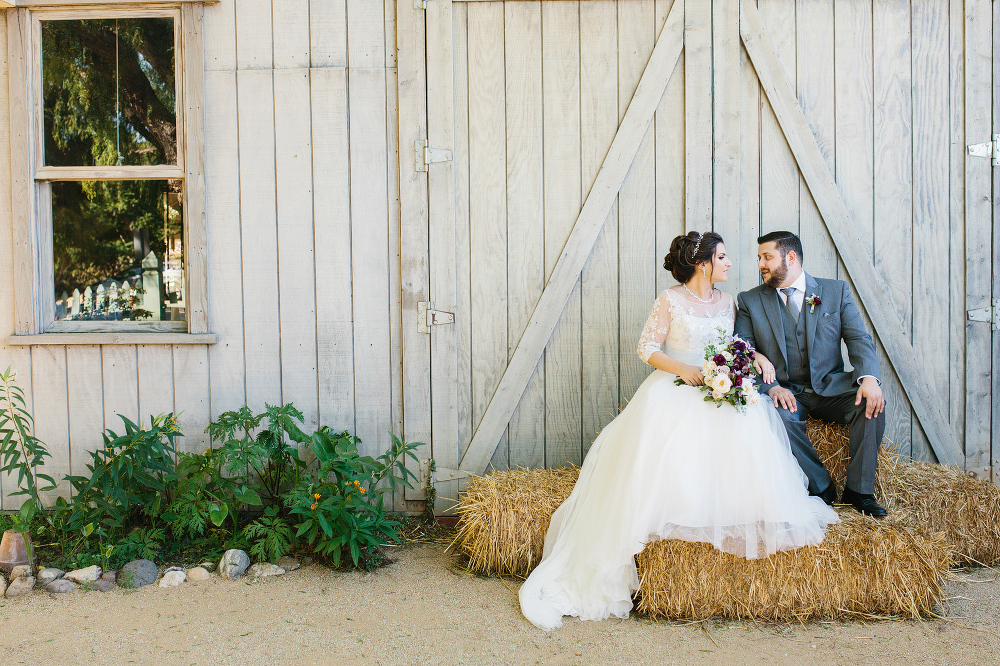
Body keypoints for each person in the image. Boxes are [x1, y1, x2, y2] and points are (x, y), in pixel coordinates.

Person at [518, 231, 839, 631]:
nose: (729, 263)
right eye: (722, 257)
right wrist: (683, 369)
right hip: (676, 386)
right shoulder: (670, 299)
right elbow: (646, 347)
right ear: (703, 263)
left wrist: (752, 356)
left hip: (719, 388)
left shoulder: (728, 302)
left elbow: (734, 343)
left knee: (746, 430)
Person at [734, 231, 887, 518]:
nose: (761, 264)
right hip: (787, 391)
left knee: (872, 404)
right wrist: (772, 389)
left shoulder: (835, 292)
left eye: (767, 257)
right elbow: (742, 352)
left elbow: (858, 339)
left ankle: (860, 491)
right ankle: (821, 487)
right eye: (759, 258)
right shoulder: (750, 301)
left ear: (790, 258)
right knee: (777, 417)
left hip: (831, 388)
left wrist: (868, 378)